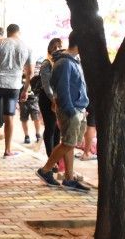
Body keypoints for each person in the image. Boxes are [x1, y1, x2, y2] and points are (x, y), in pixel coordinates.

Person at [36, 31, 91, 192]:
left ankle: (68, 178)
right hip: (71, 109)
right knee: (68, 142)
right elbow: (62, 89)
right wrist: (71, 110)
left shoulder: (73, 61)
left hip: (77, 108)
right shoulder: (65, 63)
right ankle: (45, 170)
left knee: (70, 142)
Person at [0, 24, 32, 157]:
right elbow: (29, 73)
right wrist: (26, 90)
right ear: (19, 32)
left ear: (8, 32)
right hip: (14, 86)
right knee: (10, 117)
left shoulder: (0, 43)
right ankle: (7, 150)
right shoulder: (26, 47)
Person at [37, 38, 63, 157]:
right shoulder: (46, 63)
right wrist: (53, 100)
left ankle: (55, 158)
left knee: (57, 128)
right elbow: (46, 86)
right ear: (49, 49)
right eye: (54, 47)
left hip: (58, 98)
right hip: (47, 99)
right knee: (50, 126)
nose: (57, 49)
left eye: (59, 47)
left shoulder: (62, 62)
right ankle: (50, 157)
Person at [19, 74, 42, 145]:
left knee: (36, 118)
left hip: (34, 100)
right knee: (24, 119)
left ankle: (38, 134)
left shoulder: (34, 76)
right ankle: (26, 136)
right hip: (23, 101)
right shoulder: (20, 77)